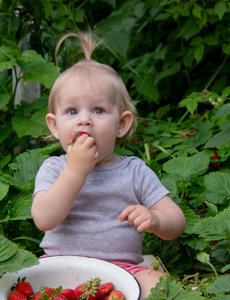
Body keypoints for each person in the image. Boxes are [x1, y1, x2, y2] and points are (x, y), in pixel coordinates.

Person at [31, 32, 186, 298]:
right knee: (23, 279)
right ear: (55, 126)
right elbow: (44, 219)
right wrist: (76, 171)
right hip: (60, 269)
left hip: (123, 270)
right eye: (71, 111)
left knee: (162, 287)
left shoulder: (134, 171)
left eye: (98, 110)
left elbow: (177, 223)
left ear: (122, 124)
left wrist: (157, 219)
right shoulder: (55, 169)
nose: (84, 120)